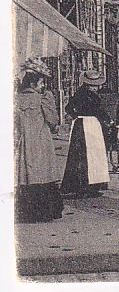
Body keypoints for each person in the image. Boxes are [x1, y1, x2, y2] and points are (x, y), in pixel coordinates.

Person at [15, 60, 64, 223]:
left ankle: (25, 212)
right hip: (41, 142)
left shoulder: (16, 98)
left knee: (26, 176)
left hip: (23, 142)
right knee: (43, 175)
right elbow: (52, 121)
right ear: (34, 82)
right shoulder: (43, 98)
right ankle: (44, 211)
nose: (43, 85)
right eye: (41, 82)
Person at [61, 70, 113, 197]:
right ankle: (89, 186)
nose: (96, 87)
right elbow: (98, 111)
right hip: (91, 126)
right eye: (94, 85)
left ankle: (77, 185)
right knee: (92, 155)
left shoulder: (79, 93)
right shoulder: (91, 96)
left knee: (79, 156)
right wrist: (109, 121)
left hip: (79, 125)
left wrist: (75, 116)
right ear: (89, 85)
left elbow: (68, 108)